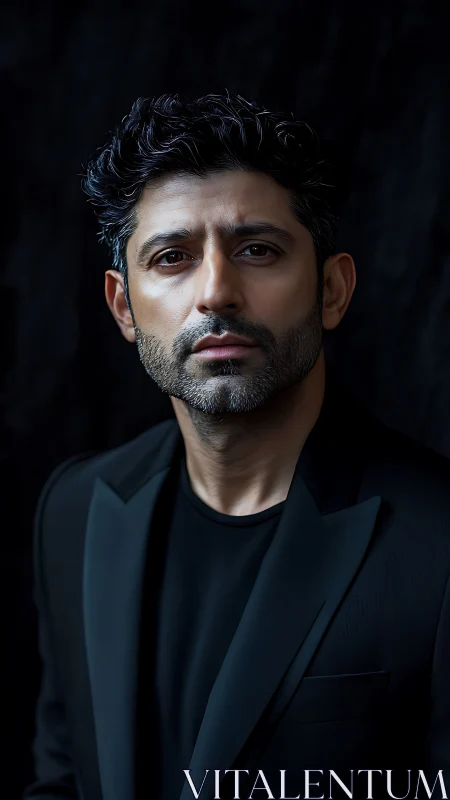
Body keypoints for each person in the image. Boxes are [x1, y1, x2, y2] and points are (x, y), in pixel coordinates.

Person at [23, 93, 450, 800]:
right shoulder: (75, 513)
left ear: (333, 290)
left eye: (257, 249)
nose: (216, 291)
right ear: (124, 307)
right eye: (172, 257)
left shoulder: (437, 539)